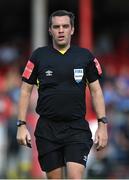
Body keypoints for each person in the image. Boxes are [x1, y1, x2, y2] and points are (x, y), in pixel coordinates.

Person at [16, 10, 108, 179]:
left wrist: (103, 125)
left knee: (75, 176)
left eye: (65, 26)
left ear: (72, 29)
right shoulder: (39, 56)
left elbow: (96, 91)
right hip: (47, 129)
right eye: (56, 26)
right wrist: (21, 125)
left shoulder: (85, 56)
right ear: (50, 30)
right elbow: (25, 91)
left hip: (76, 128)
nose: (61, 30)